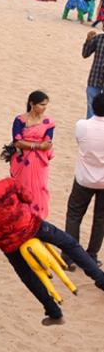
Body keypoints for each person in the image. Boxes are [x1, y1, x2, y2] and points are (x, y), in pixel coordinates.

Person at [0, 148, 104, 325]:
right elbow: (28, 198)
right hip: (32, 227)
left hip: (10, 242)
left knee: (28, 276)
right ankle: (100, 278)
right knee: (69, 244)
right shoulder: (9, 183)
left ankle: (53, 312)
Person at [65, 92, 104, 266]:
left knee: (74, 215)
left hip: (83, 178)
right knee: (100, 219)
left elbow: (79, 141)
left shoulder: (82, 125)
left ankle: (69, 256)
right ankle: (92, 255)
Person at [7, 91, 54, 219]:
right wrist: (37, 146)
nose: (44, 108)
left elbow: (48, 142)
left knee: (40, 187)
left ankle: (37, 217)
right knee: (22, 187)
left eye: (46, 105)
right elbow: (17, 142)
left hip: (39, 162)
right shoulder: (20, 120)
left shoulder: (48, 122)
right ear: (32, 104)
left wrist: (28, 144)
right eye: (41, 104)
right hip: (23, 162)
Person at [83, 29, 104, 119]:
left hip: (96, 77)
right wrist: (88, 40)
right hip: (94, 78)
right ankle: (91, 128)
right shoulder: (98, 39)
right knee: (91, 106)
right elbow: (85, 54)